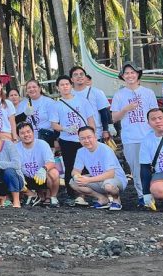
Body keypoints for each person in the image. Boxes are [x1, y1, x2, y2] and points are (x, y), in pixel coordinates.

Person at [110, 64, 158, 200]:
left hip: (149, 135)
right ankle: (142, 196)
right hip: (130, 138)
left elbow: (155, 114)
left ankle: (157, 193)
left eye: (132, 72)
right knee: (136, 169)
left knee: (154, 166)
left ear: (138, 74)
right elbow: (113, 118)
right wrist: (126, 109)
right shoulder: (119, 95)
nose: (130, 75)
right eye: (126, 73)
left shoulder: (148, 93)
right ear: (123, 76)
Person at [49, 75, 96, 204]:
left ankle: (87, 192)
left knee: (87, 165)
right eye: (62, 85)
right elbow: (54, 124)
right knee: (70, 166)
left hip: (83, 139)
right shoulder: (56, 105)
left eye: (67, 84)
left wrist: (93, 135)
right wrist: (65, 129)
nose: (65, 87)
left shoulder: (82, 101)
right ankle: (72, 194)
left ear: (71, 85)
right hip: (67, 140)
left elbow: (90, 119)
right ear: (58, 88)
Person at [71, 126, 126, 210]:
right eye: (83, 138)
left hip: (115, 179)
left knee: (108, 185)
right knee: (73, 182)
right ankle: (102, 198)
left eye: (89, 137)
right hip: (97, 179)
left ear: (95, 137)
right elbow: (76, 170)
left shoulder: (105, 150)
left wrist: (88, 180)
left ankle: (116, 200)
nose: (86, 141)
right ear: (79, 140)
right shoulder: (81, 151)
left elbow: (110, 174)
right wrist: (77, 176)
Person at [16, 122, 59, 206]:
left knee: (54, 173)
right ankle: (31, 195)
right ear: (18, 136)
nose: (26, 135)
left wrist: (44, 169)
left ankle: (53, 197)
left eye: (28, 132)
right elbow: (14, 164)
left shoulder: (42, 144)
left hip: (41, 177)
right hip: (26, 179)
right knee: (12, 175)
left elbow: (51, 162)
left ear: (33, 132)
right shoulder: (16, 147)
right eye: (22, 133)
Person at [71, 67, 112, 141]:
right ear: (72, 79)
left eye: (81, 74)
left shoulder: (96, 92)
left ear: (85, 77)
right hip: (75, 136)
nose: (79, 76)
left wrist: (105, 130)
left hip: (96, 133)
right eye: (75, 75)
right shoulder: (70, 94)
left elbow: (104, 112)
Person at [19, 79, 56, 147]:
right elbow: (17, 121)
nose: (31, 89)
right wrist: (25, 114)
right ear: (26, 91)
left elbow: (56, 121)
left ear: (39, 88)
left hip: (46, 138)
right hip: (28, 140)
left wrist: (56, 139)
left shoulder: (49, 102)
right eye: (29, 88)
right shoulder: (22, 104)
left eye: (34, 87)